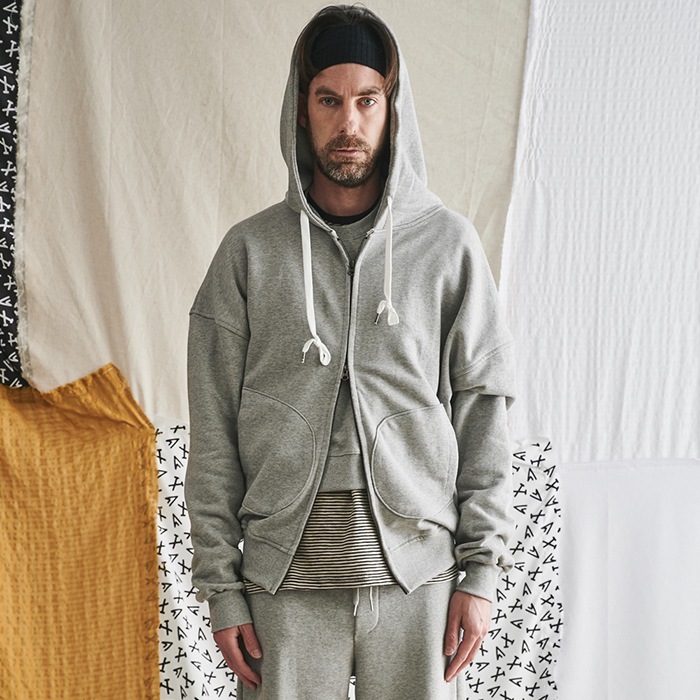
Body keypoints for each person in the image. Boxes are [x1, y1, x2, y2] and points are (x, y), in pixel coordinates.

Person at [185, 5, 515, 699]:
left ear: (392, 108)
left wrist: (481, 573)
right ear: (300, 108)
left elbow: (483, 409)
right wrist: (221, 587)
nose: (349, 123)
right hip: (281, 585)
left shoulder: (447, 246)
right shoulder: (249, 253)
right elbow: (213, 431)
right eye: (328, 99)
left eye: (368, 100)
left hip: (419, 582)